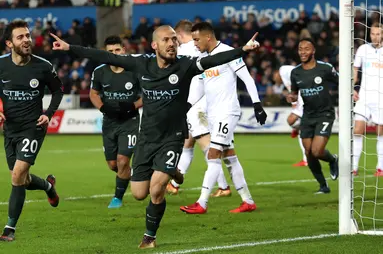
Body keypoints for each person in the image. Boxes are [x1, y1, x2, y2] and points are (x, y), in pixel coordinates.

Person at [49, 26, 260, 249]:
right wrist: (69, 47)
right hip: (147, 138)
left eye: (174, 40)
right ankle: (174, 171)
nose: (172, 43)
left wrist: (242, 50)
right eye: (166, 40)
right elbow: (105, 56)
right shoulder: (142, 64)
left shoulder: (185, 65)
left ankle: (149, 236)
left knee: (156, 190)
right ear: (154, 45)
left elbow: (214, 61)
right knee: (139, 193)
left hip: (173, 136)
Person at [180, 22, 267, 214]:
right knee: (230, 157)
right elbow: (200, 87)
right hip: (213, 114)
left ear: (207, 37)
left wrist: (257, 104)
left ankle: (201, 203)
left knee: (213, 154)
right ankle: (248, 201)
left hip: (227, 112)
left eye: (196, 39)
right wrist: (186, 106)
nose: (194, 44)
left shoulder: (228, 52)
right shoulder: (203, 57)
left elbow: (247, 79)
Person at [0, 20, 63, 242]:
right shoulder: (1, 65)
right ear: (9, 43)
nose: (26, 40)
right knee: (22, 179)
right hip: (10, 129)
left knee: (17, 177)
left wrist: (50, 113)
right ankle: (48, 186)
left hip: (33, 127)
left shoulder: (43, 66)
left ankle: (9, 229)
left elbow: (58, 91)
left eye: (27, 35)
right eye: (20, 37)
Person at [167, 20, 231, 197]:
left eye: (174, 39)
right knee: (187, 145)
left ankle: (224, 187)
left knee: (208, 147)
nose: (173, 43)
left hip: (196, 107)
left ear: (179, 35)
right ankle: (173, 184)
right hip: (200, 104)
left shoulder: (185, 50)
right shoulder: (202, 48)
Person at [90, 36, 143, 209]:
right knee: (113, 164)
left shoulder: (134, 70)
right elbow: (93, 94)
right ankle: (134, 174)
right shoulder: (99, 71)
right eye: (110, 51)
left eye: (117, 50)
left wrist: (133, 106)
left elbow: (147, 93)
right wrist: (103, 108)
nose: (114, 54)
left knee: (122, 160)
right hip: (109, 122)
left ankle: (117, 198)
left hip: (130, 121)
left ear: (123, 50)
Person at [287, 38, 339, 194]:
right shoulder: (295, 72)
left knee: (317, 151)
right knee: (309, 152)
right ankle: (323, 186)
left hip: (325, 114)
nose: (303, 52)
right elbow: (295, 93)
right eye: (300, 48)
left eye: (306, 49)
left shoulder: (325, 68)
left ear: (313, 51)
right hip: (308, 115)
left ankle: (332, 159)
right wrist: (292, 97)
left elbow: (342, 82)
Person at [353, 23, 383, 176]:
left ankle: (380, 168)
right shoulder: (363, 49)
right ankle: (354, 167)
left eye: (378, 34)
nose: (375, 36)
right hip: (364, 96)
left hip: (381, 98)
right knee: (357, 130)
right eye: (373, 34)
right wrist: (353, 88)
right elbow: (355, 69)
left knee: (381, 132)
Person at [277, 65, 307, 167]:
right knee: (297, 127)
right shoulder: (287, 77)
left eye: (275, 78)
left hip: (305, 98)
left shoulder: (283, 71)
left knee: (291, 121)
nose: (275, 80)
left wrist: (294, 105)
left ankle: (296, 128)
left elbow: (292, 90)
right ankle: (306, 159)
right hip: (302, 98)